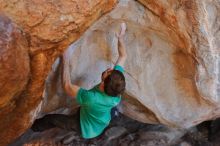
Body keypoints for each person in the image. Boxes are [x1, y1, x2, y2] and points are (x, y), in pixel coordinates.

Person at [31, 23, 127, 139]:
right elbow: (123, 56)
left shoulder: (91, 98)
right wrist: (120, 38)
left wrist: (65, 58)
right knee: (109, 111)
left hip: (85, 127)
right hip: (103, 116)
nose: (109, 69)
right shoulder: (116, 86)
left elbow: (66, 86)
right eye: (111, 70)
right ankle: (113, 114)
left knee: (51, 119)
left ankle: (33, 127)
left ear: (102, 85)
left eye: (107, 73)